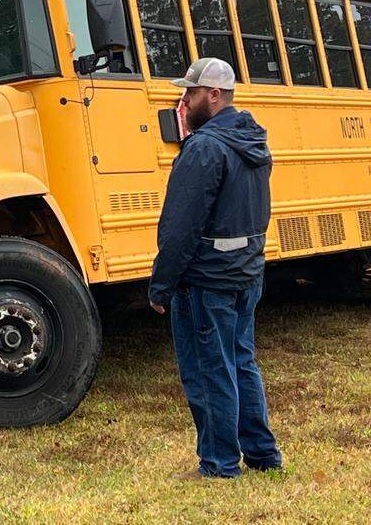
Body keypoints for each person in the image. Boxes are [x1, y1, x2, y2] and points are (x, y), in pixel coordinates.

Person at [148, 57, 282, 479]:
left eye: (190, 93)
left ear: (214, 95)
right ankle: (263, 455)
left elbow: (180, 226)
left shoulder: (204, 148)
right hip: (245, 273)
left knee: (209, 371)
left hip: (206, 282)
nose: (183, 102)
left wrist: (161, 285)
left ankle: (219, 464)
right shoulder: (254, 141)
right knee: (241, 362)